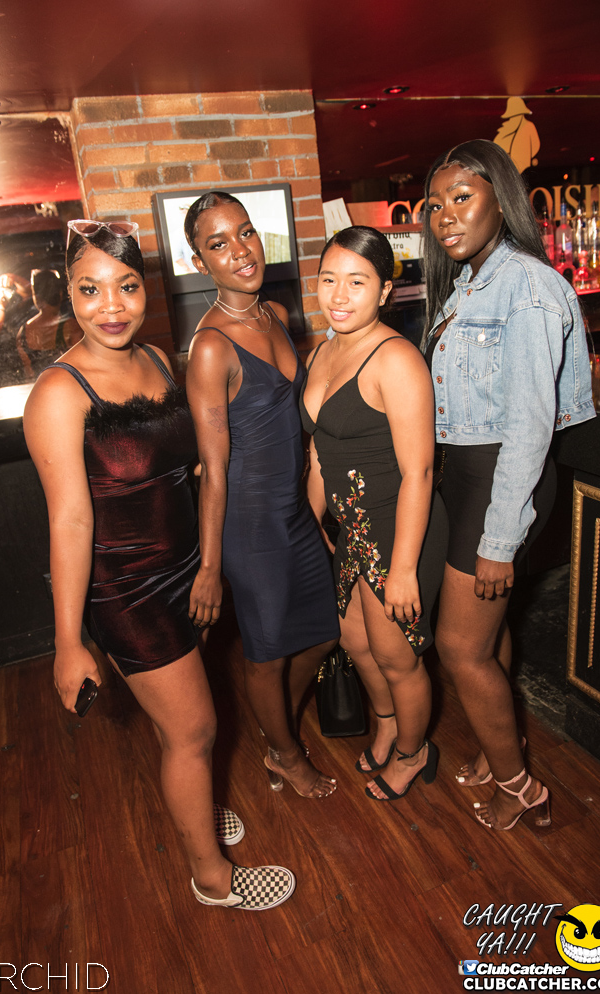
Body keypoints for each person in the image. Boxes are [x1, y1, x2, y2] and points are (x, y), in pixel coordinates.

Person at [23, 219, 294, 911]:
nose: (111, 306)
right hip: (126, 591)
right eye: (90, 289)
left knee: (181, 727)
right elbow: (70, 522)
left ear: (147, 288)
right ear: (69, 293)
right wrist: (67, 643)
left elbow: (189, 468)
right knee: (196, 730)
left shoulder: (153, 358)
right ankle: (212, 877)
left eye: (127, 286)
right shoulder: (59, 392)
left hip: (184, 573)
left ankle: (194, 806)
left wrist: (209, 561)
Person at [422, 139, 595, 830]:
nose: (445, 216)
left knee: (459, 647)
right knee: (486, 639)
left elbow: (528, 426)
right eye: (435, 205)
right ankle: (501, 752)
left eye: (461, 197)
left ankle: (522, 787)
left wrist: (499, 539)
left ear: (501, 198)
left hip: (502, 480)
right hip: (469, 478)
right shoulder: (469, 282)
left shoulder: (525, 286)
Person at [184, 192, 339, 799]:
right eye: (218, 244)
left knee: (323, 633)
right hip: (249, 525)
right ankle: (284, 754)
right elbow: (213, 470)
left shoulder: (274, 312)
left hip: (295, 511)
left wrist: (314, 509)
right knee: (266, 654)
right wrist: (210, 567)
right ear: (201, 263)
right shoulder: (210, 347)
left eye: (245, 232)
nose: (240, 251)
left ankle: (279, 727)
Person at [300, 226, 448, 800]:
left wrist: (404, 570)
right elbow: (320, 453)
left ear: (385, 290)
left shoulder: (397, 359)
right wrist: (309, 523)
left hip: (396, 526)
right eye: (328, 279)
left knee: (395, 655)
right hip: (351, 527)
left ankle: (414, 753)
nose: (339, 295)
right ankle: (387, 726)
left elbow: (419, 473)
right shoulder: (323, 350)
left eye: (357, 282)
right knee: (354, 641)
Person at [17, 268, 81, 379]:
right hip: (67, 385)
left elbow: (28, 372)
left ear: (36, 296)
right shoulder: (71, 326)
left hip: (37, 386)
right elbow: (81, 367)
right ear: (60, 293)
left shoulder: (23, 331)